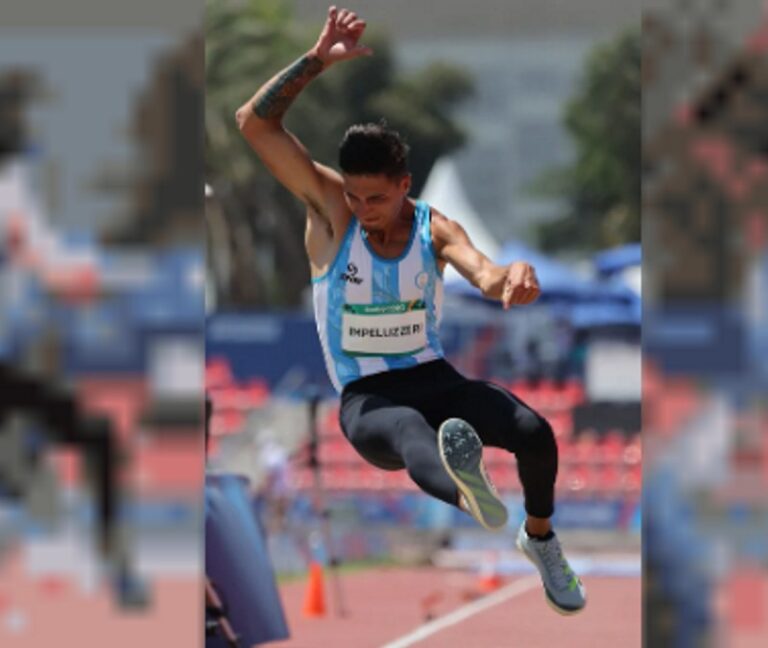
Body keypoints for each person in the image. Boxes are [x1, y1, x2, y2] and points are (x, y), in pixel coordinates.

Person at [236, 6, 585, 614]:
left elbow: (485, 270)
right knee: (411, 433)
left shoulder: (435, 229)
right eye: (354, 194)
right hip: (368, 397)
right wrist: (318, 59)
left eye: (376, 196)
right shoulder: (331, 214)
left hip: (435, 378)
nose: (363, 207)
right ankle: (466, 489)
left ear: (404, 185)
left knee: (534, 431)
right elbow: (253, 125)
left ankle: (540, 539)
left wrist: (512, 279)